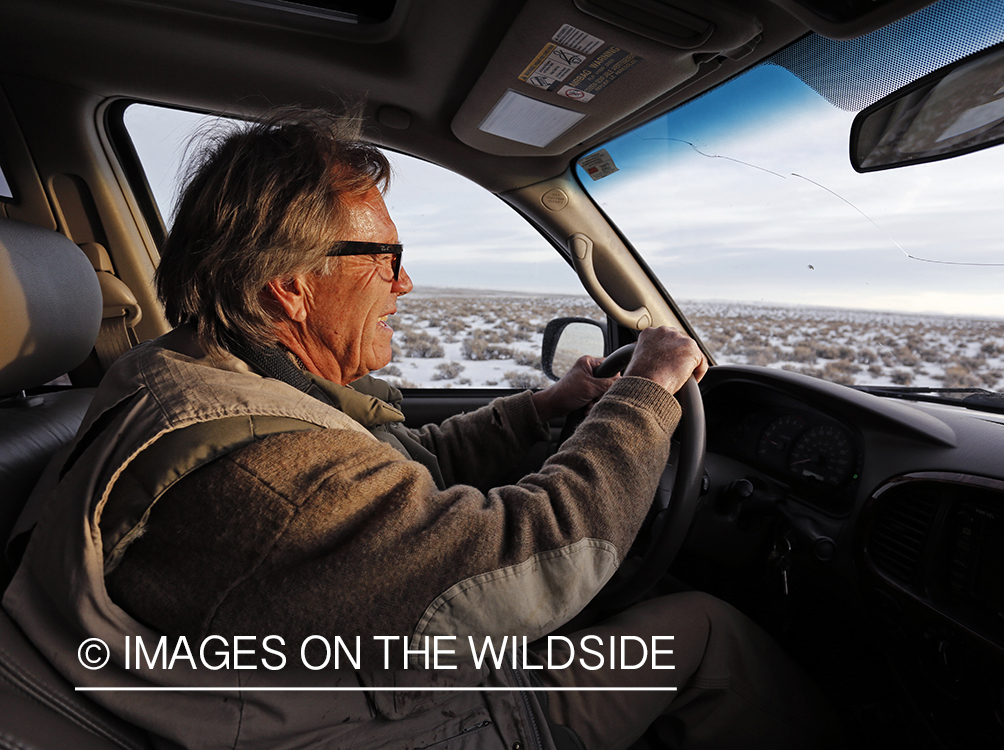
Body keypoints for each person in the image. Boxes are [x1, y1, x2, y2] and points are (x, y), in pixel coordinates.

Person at [4, 110, 833, 749]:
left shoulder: (189, 373)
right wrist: (647, 393)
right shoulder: (270, 471)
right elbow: (539, 559)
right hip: (366, 723)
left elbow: (391, 466)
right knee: (698, 634)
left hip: (299, 684)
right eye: (385, 259)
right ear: (293, 284)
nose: (405, 284)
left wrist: (542, 410)